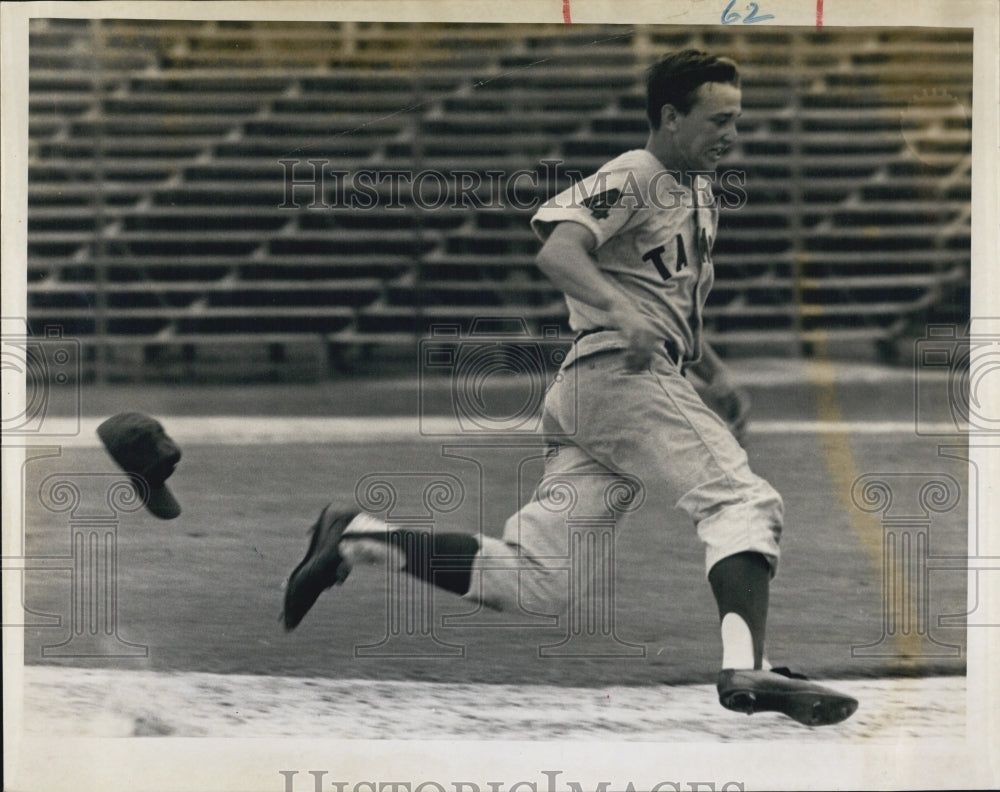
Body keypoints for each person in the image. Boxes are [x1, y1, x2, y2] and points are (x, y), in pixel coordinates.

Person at [282, 49, 858, 727]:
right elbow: (558, 249)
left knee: (537, 580)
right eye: (719, 118)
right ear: (671, 118)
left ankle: (356, 537)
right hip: (618, 378)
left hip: (606, 391)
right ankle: (745, 667)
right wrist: (619, 313)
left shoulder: (698, 193)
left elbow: (669, 306)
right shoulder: (637, 172)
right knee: (742, 500)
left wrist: (717, 378)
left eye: (738, 117)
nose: (733, 132)